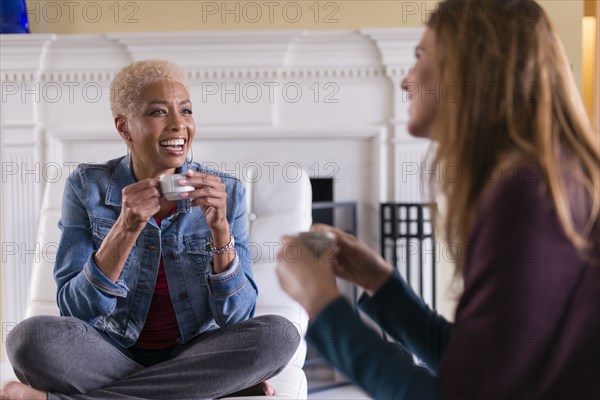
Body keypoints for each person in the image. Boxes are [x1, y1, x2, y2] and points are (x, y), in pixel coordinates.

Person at [276, 0, 600, 399]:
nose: (406, 80)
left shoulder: (526, 195)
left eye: (420, 55)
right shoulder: (547, 179)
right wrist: (381, 283)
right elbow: (478, 367)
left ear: (470, 66)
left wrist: (321, 305)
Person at [2, 60, 299, 400]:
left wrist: (219, 229)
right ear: (124, 126)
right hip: (110, 352)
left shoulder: (226, 191)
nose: (178, 125)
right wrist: (126, 228)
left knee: (279, 335)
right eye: (159, 112)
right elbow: (75, 310)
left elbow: (237, 316)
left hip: (193, 351)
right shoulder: (88, 187)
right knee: (29, 340)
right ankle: (201, 388)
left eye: (186, 111)